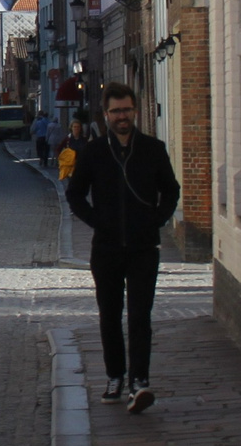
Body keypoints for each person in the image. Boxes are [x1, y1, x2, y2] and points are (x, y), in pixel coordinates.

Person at [64, 84, 180, 412]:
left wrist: (156, 220)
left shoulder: (153, 150)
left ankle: (139, 381)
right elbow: (75, 194)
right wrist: (97, 221)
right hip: (107, 249)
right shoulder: (95, 152)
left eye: (126, 110)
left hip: (144, 248)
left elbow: (171, 190)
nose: (122, 116)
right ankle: (115, 375)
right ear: (106, 115)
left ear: (135, 111)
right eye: (115, 111)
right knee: (110, 315)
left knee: (141, 315)